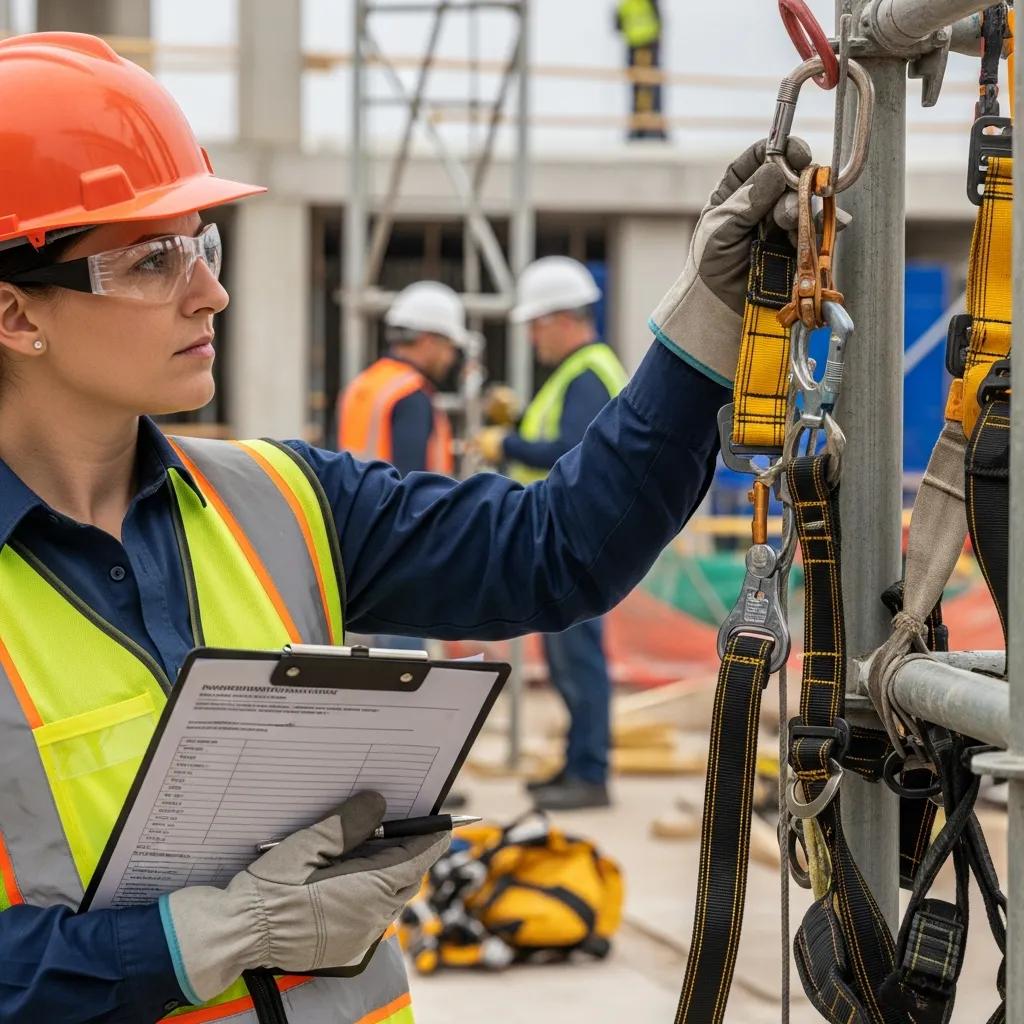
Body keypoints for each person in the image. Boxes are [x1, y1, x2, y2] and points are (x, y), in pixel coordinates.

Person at [0, 30, 808, 1024]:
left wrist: (705, 324)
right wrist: (194, 939)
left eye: (202, 244)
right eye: (150, 258)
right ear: (15, 314)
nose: (208, 287)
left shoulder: (281, 499)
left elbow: (555, 549)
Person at [475, 257, 628, 812]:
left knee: (580, 660)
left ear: (564, 318)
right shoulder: (576, 373)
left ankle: (590, 773)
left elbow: (570, 451)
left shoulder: (588, 372)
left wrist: (506, 445)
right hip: (562, 539)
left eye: (537, 324)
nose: (533, 337)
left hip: (576, 542)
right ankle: (576, 765)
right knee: (566, 661)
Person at [338, 280, 464, 477]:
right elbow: (412, 485)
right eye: (449, 346)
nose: (451, 358)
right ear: (429, 340)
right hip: (395, 507)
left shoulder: (363, 383)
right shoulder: (411, 395)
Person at [614, 0, 667, 141]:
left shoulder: (626, 3)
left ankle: (646, 129)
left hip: (642, 46)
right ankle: (644, 129)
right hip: (643, 46)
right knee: (644, 87)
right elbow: (659, 21)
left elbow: (617, 25)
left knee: (644, 87)